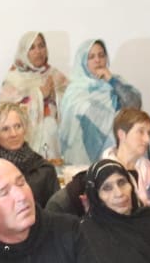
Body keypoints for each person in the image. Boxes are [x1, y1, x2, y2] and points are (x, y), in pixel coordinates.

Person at [59, 39, 144, 168]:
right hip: (85, 154)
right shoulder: (75, 90)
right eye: (91, 57)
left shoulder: (116, 82)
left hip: (117, 150)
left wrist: (111, 80)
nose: (97, 60)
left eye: (101, 55)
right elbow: (71, 126)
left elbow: (135, 105)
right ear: (83, 62)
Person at [0, 31, 67, 159]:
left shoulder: (54, 75)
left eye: (41, 46)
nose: (38, 51)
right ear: (24, 52)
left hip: (53, 141)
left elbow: (71, 101)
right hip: (24, 145)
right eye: (32, 48)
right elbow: (5, 111)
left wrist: (54, 95)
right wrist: (39, 95)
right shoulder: (14, 78)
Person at [0, 102, 59, 210]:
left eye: (18, 126)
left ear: (25, 129)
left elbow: (54, 213)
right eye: (5, 129)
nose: (14, 134)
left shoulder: (44, 170)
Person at [101, 106, 150, 204]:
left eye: (149, 133)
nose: (147, 139)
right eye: (141, 132)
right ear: (121, 134)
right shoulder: (103, 172)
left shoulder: (148, 168)